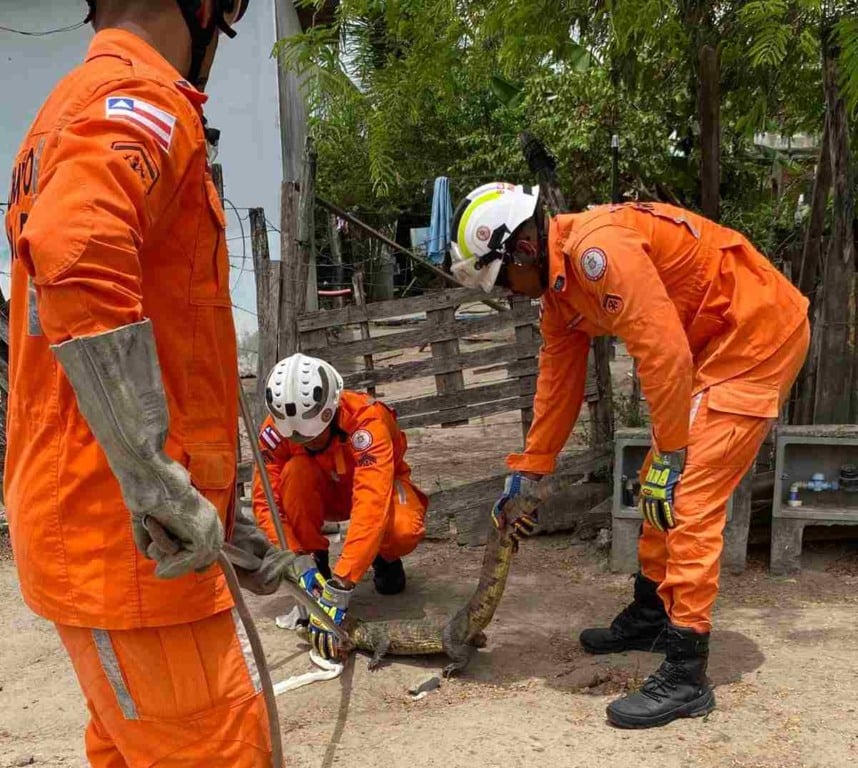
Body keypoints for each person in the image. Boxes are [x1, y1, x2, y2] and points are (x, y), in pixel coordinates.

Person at [3, 2, 296, 765]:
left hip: (105, 531)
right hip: (131, 549)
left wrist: (218, 507)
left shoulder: (66, 110)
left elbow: (166, 340)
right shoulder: (143, 100)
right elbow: (77, 246)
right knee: (218, 748)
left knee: (130, 747)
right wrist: (154, 483)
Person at [450, 182, 809, 729]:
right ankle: (652, 613)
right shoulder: (558, 293)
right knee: (652, 485)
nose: (508, 294)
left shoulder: (598, 252)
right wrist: (531, 470)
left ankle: (687, 671)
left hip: (756, 333)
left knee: (685, 493)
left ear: (522, 248)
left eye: (503, 282)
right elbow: (558, 381)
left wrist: (672, 453)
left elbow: (661, 349)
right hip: (711, 344)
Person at [252, 353, 428, 656]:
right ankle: (315, 562)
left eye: (314, 435)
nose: (307, 442)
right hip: (321, 493)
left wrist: (343, 582)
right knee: (294, 472)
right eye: (298, 437)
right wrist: (295, 559)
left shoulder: (368, 420)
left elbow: (372, 501)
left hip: (378, 486)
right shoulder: (274, 431)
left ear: (331, 410)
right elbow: (266, 502)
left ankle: (384, 557)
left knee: (403, 530)